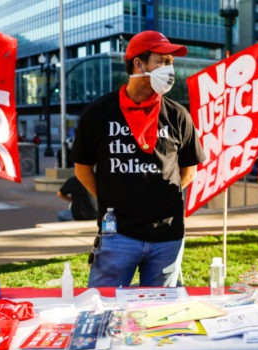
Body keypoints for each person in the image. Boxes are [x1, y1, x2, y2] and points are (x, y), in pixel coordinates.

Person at [71, 30, 205, 288]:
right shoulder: (98, 113)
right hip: (117, 236)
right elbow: (82, 169)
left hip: (167, 236)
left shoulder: (178, 115)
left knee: (159, 317)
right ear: (139, 64)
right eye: (163, 61)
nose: (170, 70)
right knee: (103, 308)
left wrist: (159, 200)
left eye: (171, 63)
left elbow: (189, 170)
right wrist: (111, 197)